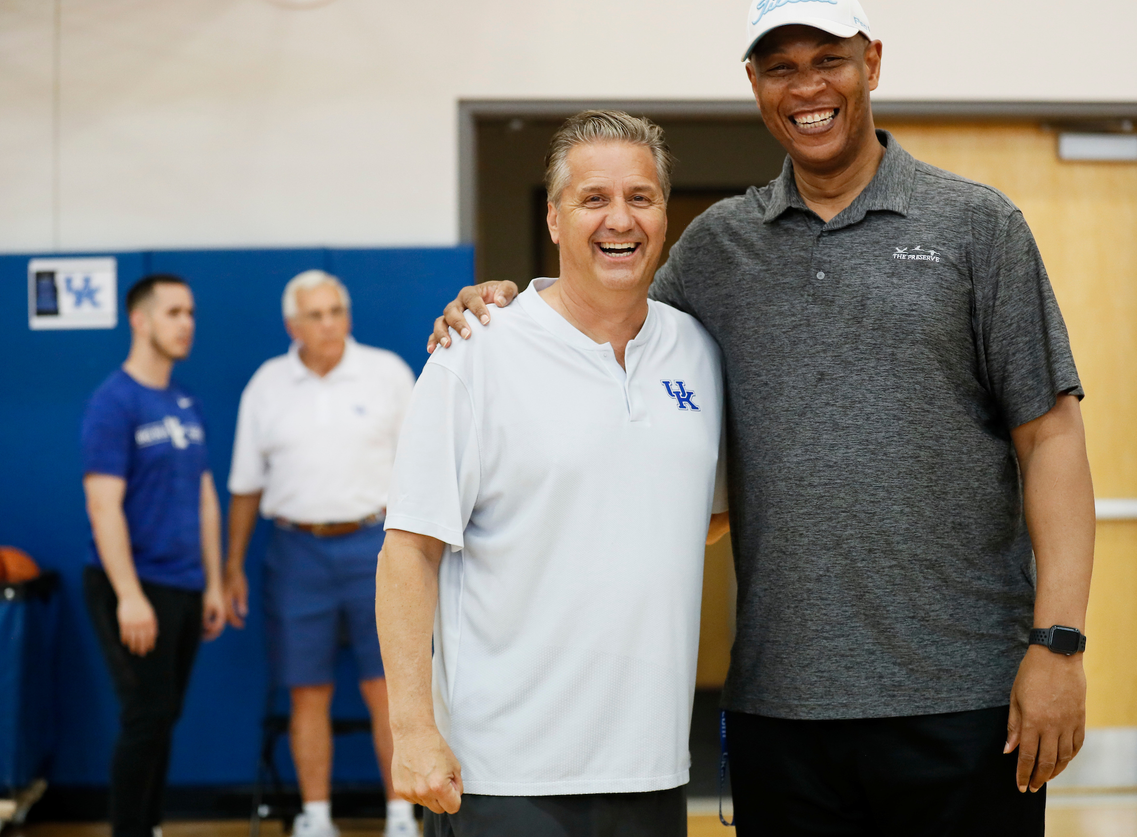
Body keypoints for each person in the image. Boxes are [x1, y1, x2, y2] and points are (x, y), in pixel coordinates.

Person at [427, 0, 1096, 834]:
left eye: (829, 61)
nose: (806, 87)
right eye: (780, 68)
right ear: (754, 85)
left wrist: (1060, 642)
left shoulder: (977, 227)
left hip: (964, 699)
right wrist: (503, 304)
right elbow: (608, 319)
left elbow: (1053, 439)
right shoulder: (716, 249)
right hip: (782, 714)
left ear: (873, 65)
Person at [377, 110, 729, 837]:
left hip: (652, 764)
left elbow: (707, 517)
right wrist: (411, 727)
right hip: (504, 771)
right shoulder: (476, 350)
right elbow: (409, 551)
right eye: (593, 198)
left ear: (664, 216)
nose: (618, 218)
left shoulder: (697, 351)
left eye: (640, 196)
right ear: (555, 217)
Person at [224, 270, 417, 837]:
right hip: (295, 552)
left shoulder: (387, 374)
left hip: (375, 549)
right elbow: (244, 484)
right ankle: (314, 817)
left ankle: (402, 814)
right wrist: (232, 566)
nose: (329, 323)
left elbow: (420, 470)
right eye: (316, 314)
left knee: (388, 689)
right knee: (307, 693)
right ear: (292, 325)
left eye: (337, 310)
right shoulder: (267, 385)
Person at [81, 274, 227, 837]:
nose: (186, 323)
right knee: (145, 720)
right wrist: (129, 595)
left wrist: (212, 583)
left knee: (163, 718)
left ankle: (151, 826)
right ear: (139, 321)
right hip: (134, 586)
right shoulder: (113, 402)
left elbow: (205, 497)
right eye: (173, 313)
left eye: (190, 312)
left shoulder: (185, 402)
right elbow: (103, 506)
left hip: (186, 586)